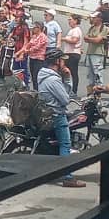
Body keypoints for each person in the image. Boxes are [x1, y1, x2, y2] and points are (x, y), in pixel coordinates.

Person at [37, 48, 87, 188]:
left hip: (47, 113)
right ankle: (68, 177)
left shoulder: (42, 75)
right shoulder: (53, 79)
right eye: (62, 60)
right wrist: (68, 78)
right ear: (57, 61)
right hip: (56, 115)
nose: (64, 62)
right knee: (65, 144)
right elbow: (65, 99)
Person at [15, 21, 47, 91]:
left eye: (34, 27)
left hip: (39, 59)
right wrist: (20, 52)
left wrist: (27, 51)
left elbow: (37, 47)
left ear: (38, 28)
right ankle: (35, 91)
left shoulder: (43, 37)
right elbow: (28, 45)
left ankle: (39, 92)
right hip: (32, 58)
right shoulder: (34, 36)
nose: (33, 29)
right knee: (33, 76)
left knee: (36, 76)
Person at [83, 12, 109, 92]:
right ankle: (90, 92)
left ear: (100, 19)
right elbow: (85, 38)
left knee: (97, 72)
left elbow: (98, 40)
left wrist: (91, 39)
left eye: (94, 18)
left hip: (98, 53)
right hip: (90, 52)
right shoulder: (92, 28)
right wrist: (93, 39)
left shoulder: (104, 28)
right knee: (90, 74)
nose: (92, 19)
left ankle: (98, 91)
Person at [61, 15, 83, 95]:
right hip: (69, 53)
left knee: (73, 72)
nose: (69, 21)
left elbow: (74, 40)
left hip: (73, 53)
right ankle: (67, 89)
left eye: (71, 19)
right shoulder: (72, 30)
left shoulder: (76, 30)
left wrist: (63, 39)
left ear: (76, 21)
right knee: (66, 72)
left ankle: (74, 91)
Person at [10, 16, 31, 85]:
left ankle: (26, 86)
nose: (15, 19)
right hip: (15, 50)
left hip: (22, 52)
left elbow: (26, 43)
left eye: (17, 17)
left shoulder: (25, 28)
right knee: (15, 70)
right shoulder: (16, 27)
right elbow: (12, 37)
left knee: (23, 70)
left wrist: (20, 53)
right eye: (15, 17)